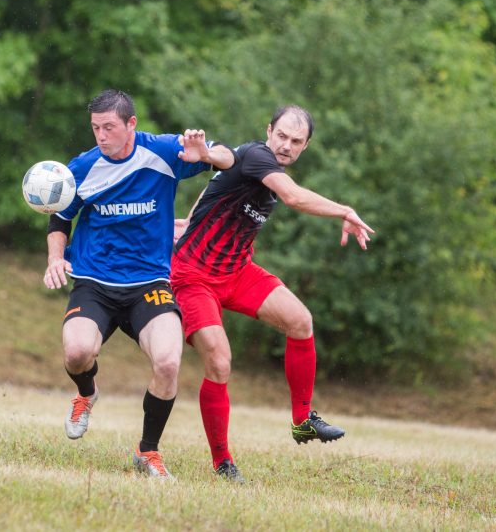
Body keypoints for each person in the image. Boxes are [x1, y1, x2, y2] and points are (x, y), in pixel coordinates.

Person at [170, 104, 374, 483]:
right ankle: (222, 463)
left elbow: (216, 185)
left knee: (300, 321)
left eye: (296, 141)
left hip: (237, 271)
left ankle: (302, 421)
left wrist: (191, 219)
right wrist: (344, 210)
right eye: (281, 135)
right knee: (219, 359)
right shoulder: (257, 155)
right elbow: (285, 191)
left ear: (305, 146)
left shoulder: (266, 170)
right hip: (193, 276)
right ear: (268, 132)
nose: (286, 145)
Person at [43, 88, 234, 479]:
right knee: (77, 353)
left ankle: (147, 451)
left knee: (167, 362)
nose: (101, 135)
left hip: (149, 283)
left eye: (109, 127)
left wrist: (206, 155)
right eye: (95, 127)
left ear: (131, 124)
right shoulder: (82, 167)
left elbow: (230, 159)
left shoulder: (163, 152)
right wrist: (55, 258)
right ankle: (87, 393)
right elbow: (60, 219)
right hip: (95, 282)